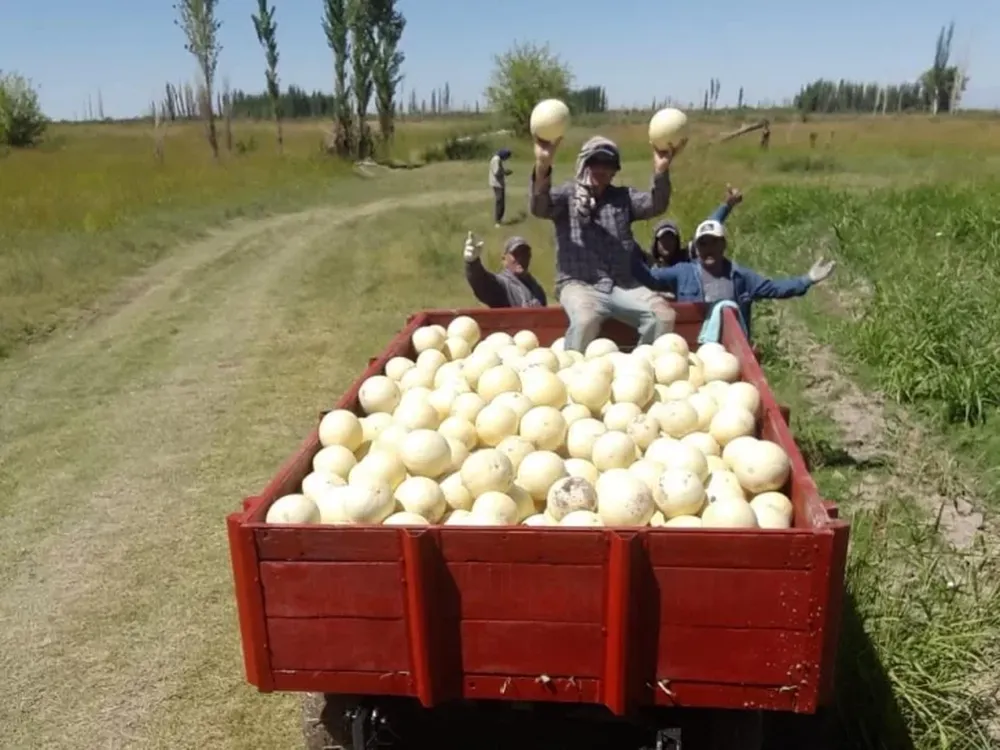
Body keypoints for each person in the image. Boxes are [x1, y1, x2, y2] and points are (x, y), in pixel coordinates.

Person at [529, 133, 686, 352]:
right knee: (585, 320)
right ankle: (573, 373)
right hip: (578, 284)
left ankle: (641, 368)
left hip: (621, 285)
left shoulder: (623, 198)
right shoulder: (568, 196)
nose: (600, 169)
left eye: (608, 164)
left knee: (663, 316)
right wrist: (542, 165)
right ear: (584, 164)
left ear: (615, 170)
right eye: (595, 162)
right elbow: (539, 207)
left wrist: (661, 171)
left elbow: (655, 205)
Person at [640, 219, 836, 339]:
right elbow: (648, 276)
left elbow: (774, 288)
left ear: (723, 244)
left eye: (714, 242)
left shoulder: (741, 276)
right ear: (696, 248)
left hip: (732, 348)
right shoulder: (683, 272)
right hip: (694, 346)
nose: (708, 248)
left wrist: (807, 279)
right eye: (703, 243)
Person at [642, 184, 744, 269]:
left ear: (677, 242)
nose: (667, 243)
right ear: (656, 242)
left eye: (671, 239)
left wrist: (728, 205)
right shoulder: (648, 262)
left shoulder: (686, 256)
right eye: (663, 239)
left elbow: (708, 226)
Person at [463, 232, 547, 308]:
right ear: (504, 259)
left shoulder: (537, 289)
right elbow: (482, 283)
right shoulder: (502, 285)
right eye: (516, 254)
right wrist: (472, 263)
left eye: (525, 253)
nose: (521, 258)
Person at [488, 148, 513, 227]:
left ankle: (499, 219)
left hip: (497, 183)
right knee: (500, 201)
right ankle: (498, 221)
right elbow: (497, 172)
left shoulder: (496, 159)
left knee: (501, 201)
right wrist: (505, 172)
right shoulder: (496, 159)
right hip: (497, 183)